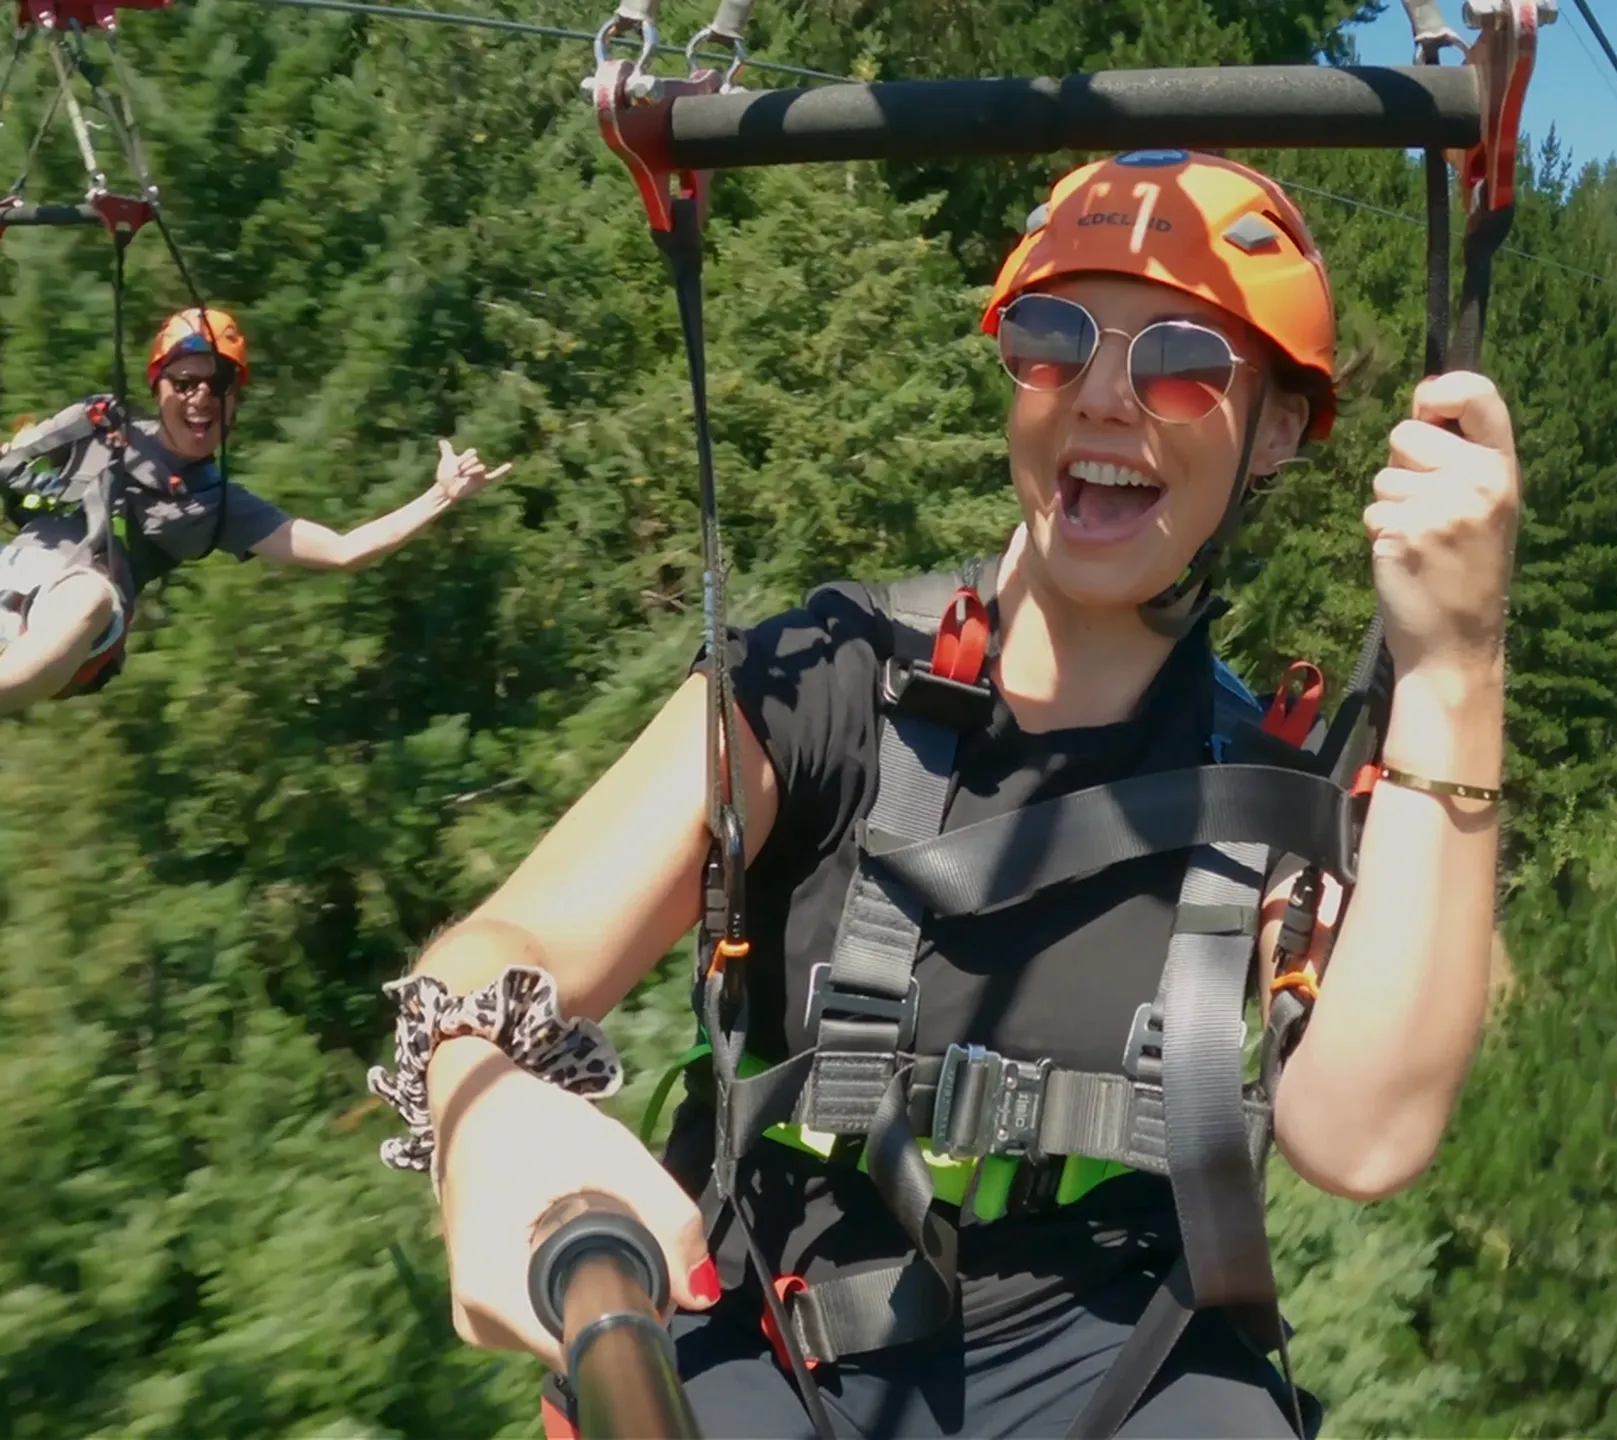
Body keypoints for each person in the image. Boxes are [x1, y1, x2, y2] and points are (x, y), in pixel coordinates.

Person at [368, 150, 1518, 1439]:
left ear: (1281, 430)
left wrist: (1455, 666)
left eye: (1182, 362)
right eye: (1054, 339)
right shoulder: (824, 678)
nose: (1103, 397)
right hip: (767, 1315)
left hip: (1113, 1346)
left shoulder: (1259, 781)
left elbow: (1361, 1136)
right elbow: (517, 938)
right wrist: (475, 1091)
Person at [0, 307, 510, 714]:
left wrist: (441, 495)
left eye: (219, 384)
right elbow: (14, 456)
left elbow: (343, 551)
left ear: (234, 400)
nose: (201, 397)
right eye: (185, 383)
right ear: (158, 387)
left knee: (90, 597)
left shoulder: (220, 504)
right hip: (15, 571)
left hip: (76, 613)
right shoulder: (98, 424)